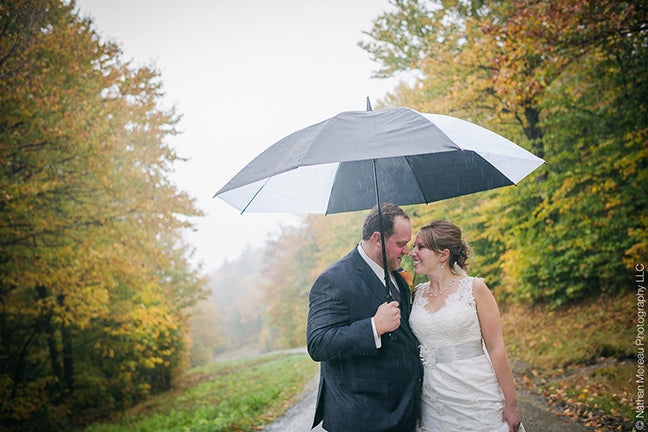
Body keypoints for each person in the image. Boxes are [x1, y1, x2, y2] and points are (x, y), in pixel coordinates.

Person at [307, 203, 423, 432]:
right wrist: (373, 327)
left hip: (403, 411)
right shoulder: (333, 280)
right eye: (400, 244)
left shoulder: (398, 276)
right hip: (362, 416)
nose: (407, 251)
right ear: (378, 238)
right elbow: (318, 343)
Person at [409, 220, 524, 432]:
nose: (412, 252)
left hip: (475, 394)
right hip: (433, 400)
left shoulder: (475, 288)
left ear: (443, 255)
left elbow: (496, 348)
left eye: (420, 247)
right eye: (413, 246)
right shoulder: (417, 293)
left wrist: (512, 403)